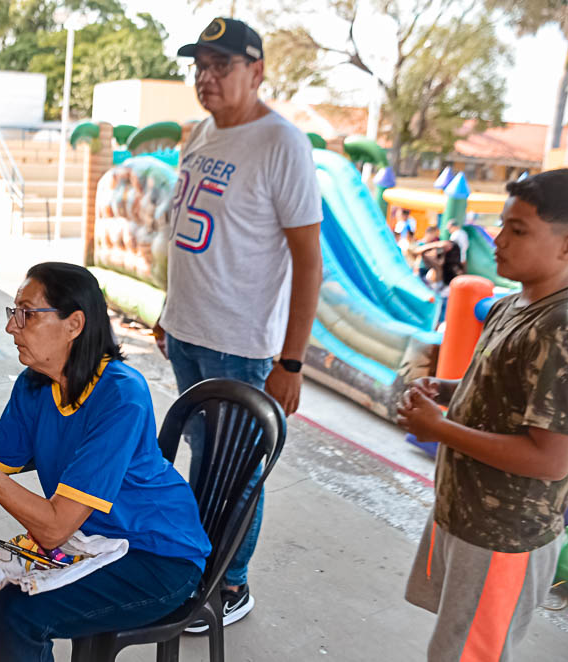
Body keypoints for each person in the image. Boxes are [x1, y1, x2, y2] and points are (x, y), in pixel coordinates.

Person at [0, 262, 211, 662]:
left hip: (155, 554)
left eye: (26, 313)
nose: (12, 327)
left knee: (19, 616)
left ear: (74, 324)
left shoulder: (120, 395)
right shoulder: (35, 384)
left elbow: (55, 527)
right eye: (14, 313)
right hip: (87, 539)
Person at [152, 17, 323, 629]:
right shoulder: (201, 131)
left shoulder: (282, 144)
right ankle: (200, 565)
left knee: (237, 474)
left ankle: (229, 584)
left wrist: (292, 361)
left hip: (243, 347)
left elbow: (309, 262)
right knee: (205, 460)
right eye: (200, 65)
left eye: (221, 65)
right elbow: (189, 233)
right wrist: (169, 311)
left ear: (257, 71)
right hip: (190, 334)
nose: (207, 76)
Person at [398, 168, 568, 662]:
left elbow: (551, 459)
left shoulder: (560, 328)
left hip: (504, 534)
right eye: (502, 224)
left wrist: (440, 429)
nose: (497, 240)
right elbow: (504, 395)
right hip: (467, 515)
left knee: (470, 654)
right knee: (456, 646)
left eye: (519, 231)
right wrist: (447, 391)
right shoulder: (516, 303)